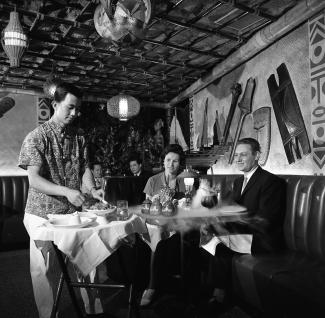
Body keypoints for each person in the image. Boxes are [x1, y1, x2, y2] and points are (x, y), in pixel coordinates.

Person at [18, 82, 104, 318]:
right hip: (41, 213)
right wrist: (67, 191)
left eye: (78, 109)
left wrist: (93, 189)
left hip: (71, 212)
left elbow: (84, 170)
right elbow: (34, 180)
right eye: (70, 108)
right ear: (55, 104)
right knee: (42, 269)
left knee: (87, 259)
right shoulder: (37, 137)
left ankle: (94, 309)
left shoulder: (79, 136)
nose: (75, 113)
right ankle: (48, 315)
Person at [202, 137, 286, 308]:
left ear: (257, 156)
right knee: (200, 236)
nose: (238, 159)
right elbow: (231, 210)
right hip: (242, 233)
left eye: (243, 155)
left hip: (262, 238)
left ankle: (219, 295)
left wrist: (224, 226)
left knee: (217, 242)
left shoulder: (271, 182)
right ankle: (205, 289)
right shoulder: (239, 181)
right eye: (236, 155)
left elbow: (265, 220)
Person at [141, 144, 201, 306]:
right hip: (158, 222)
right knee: (159, 235)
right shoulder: (153, 180)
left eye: (175, 161)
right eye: (168, 160)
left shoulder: (186, 180)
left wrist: (187, 201)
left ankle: (187, 285)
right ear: (163, 161)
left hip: (180, 223)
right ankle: (152, 286)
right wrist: (154, 201)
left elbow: (193, 206)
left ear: (180, 163)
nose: (171, 164)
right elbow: (146, 206)